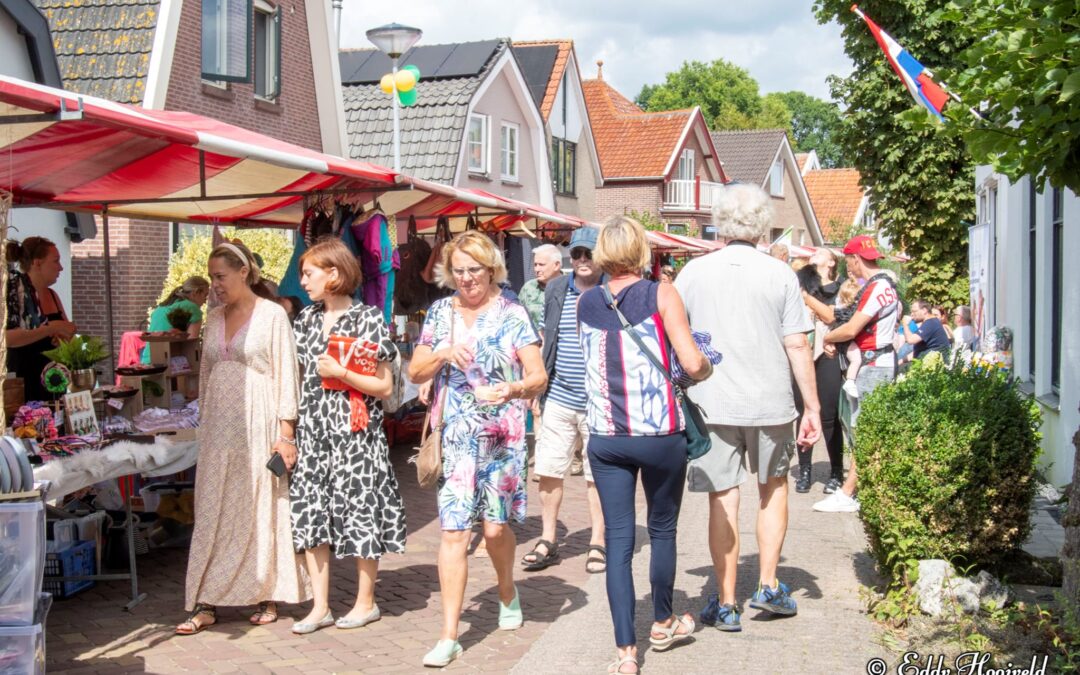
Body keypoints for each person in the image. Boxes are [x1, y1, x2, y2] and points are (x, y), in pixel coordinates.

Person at [674, 183, 821, 633]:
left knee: (723, 495)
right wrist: (811, 406)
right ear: (762, 225)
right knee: (772, 488)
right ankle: (770, 585)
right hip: (770, 402)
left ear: (720, 221)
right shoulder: (780, 275)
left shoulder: (692, 273)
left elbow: (675, 338)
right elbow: (797, 343)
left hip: (710, 402)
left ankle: (725, 600)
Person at [407, 232, 547, 668]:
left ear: (492, 271)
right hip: (455, 435)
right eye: (460, 271)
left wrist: (514, 388)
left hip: (502, 436)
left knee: (494, 530)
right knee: (453, 532)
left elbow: (538, 375)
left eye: (475, 270)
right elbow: (414, 371)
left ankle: (507, 589)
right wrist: (444, 353)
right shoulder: (439, 313)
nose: (467, 279)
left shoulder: (512, 314)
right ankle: (449, 634)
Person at [578, 216, 712, 674]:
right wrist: (706, 367)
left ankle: (625, 654)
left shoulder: (584, 302)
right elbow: (692, 362)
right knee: (661, 531)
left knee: (618, 540)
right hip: (658, 435)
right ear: (642, 250)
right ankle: (662, 620)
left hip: (606, 437)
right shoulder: (661, 293)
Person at [177, 241, 309, 635]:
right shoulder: (214, 317)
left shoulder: (272, 316)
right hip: (219, 426)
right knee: (213, 505)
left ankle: (264, 591)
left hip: (259, 420)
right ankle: (205, 599)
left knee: (259, 504)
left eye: (220, 276)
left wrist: (286, 432)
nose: (215, 284)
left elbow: (287, 372)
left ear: (243, 273)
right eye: (212, 277)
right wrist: (203, 415)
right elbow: (206, 373)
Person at [289, 239, 406, 634]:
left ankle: (365, 602)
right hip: (314, 433)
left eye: (309, 273)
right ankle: (320, 605)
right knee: (311, 514)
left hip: (355, 435)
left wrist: (341, 374)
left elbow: (385, 387)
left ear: (333, 274)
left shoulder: (368, 320)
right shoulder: (304, 321)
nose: (302, 280)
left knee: (361, 512)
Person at [522, 227, 607, 576]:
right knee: (548, 469)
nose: (582, 261)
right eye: (577, 255)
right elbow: (548, 337)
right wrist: (538, 386)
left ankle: (598, 541)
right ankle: (548, 538)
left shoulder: (610, 289)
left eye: (588, 254)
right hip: (558, 392)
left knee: (595, 475)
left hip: (599, 399)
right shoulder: (557, 287)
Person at [815, 235, 900, 513]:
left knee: (862, 430)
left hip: (873, 365)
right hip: (876, 362)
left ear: (854, 260)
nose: (848, 268)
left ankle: (849, 492)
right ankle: (862, 490)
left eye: (849, 261)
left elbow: (852, 327)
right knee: (862, 428)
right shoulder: (886, 286)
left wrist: (829, 339)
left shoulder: (876, 288)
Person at [792, 247, 848, 495]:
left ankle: (836, 471)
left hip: (827, 356)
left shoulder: (843, 288)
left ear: (832, 261)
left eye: (821, 252)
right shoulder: (801, 281)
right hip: (804, 353)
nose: (814, 254)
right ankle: (805, 470)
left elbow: (829, 316)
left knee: (829, 415)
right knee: (803, 412)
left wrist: (806, 298)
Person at [5, 237, 76, 402]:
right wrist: (51, 328)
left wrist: (65, 335)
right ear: (37, 263)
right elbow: (7, 338)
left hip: (53, 382)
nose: (61, 267)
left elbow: (66, 332)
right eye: (56, 261)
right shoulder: (15, 292)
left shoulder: (52, 295)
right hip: (23, 383)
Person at [141, 276, 210, 362]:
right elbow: (191, 345)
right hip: (170, 365)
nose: (205, 301)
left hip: (147, 361)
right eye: (205, 295)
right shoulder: (193, 308)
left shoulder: (161, 307)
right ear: (195, 292)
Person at [518, 243, 563, 330]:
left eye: (541, 265)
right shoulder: (528, 288)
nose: (536, 269)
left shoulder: (570, 287)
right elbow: (518, 317)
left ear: (556, 265)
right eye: (535, 265)